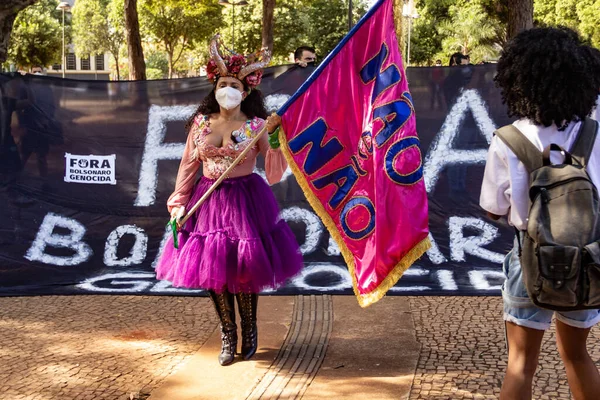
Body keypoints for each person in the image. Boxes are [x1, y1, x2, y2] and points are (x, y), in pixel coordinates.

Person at [155, 35, 303, 367]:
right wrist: (178, 203)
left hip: (245, 201)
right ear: (214, 85)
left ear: (245, 90)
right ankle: (228, 332)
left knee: (245, 268)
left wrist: (276, 135)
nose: (227, 89)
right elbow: (188, 166)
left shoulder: (255, 126)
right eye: (222, 83)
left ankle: (250, 329)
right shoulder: (201, 124)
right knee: (215, 270)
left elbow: (275, 169)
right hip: (206, 201)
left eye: (233, 84)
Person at [480, 27, 600, 400]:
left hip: (529, 258)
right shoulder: (595, 133)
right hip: (588, 258)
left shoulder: (508, 138)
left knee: (520, 363)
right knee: (578, 356)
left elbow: (493, 207)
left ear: (519, 81)